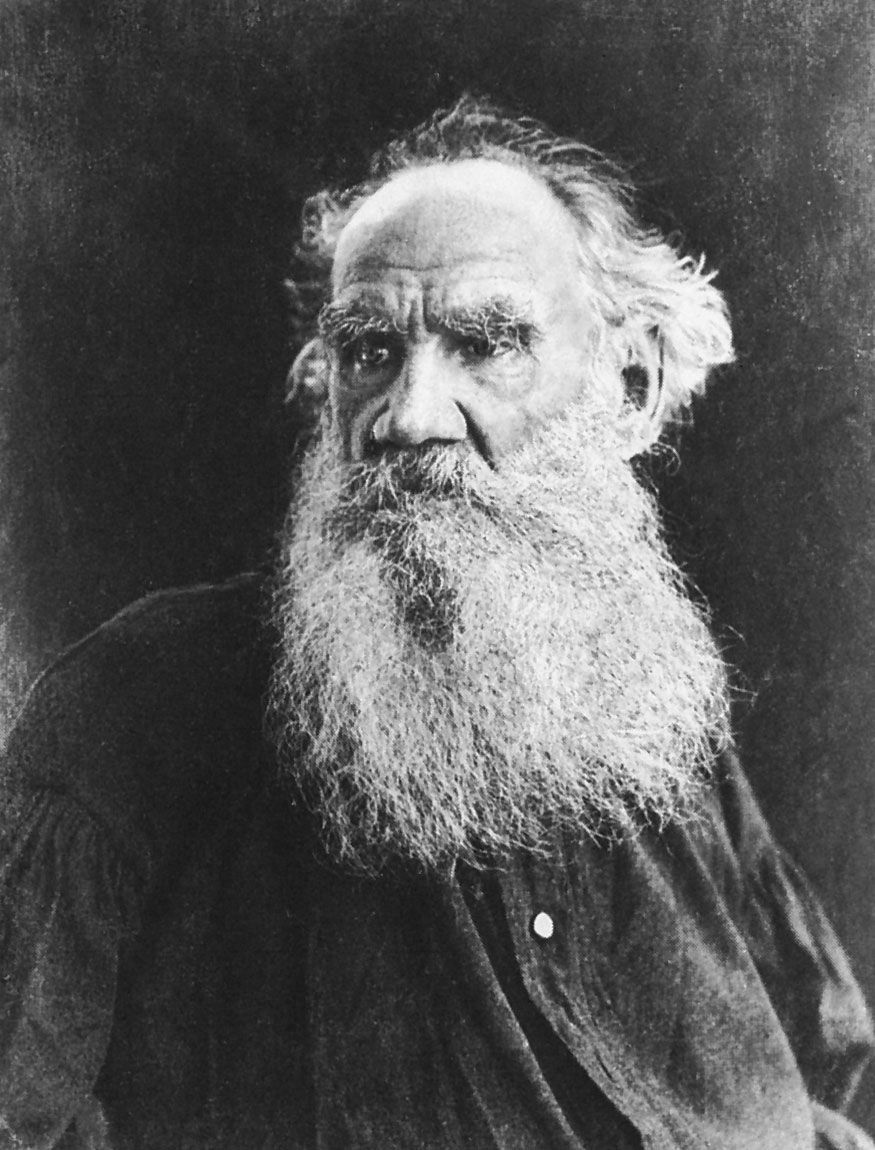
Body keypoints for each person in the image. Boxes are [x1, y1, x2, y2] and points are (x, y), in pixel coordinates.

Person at [0, 96, 872, 1150]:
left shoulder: (660, 724)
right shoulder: (130, 717)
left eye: (486, 344)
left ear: (632, 386)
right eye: (369, 351)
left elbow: (830, 1069)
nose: (409, 415)